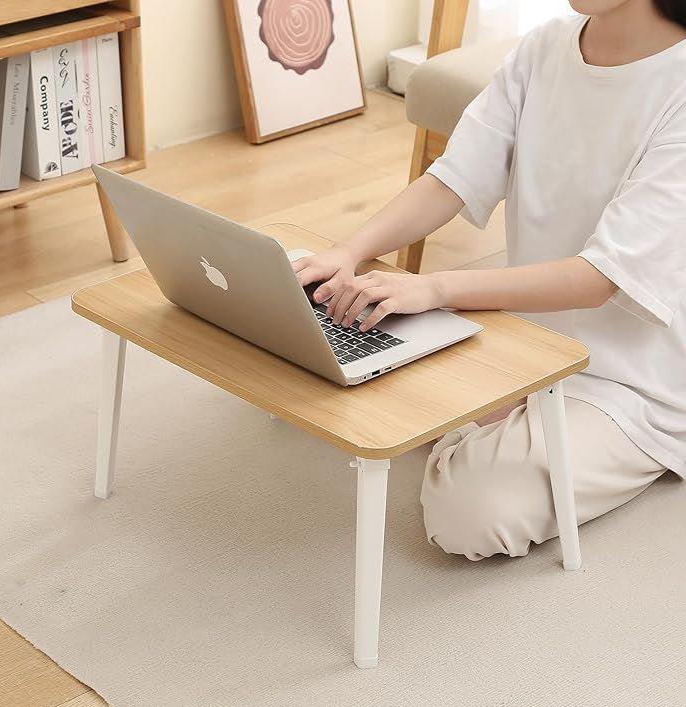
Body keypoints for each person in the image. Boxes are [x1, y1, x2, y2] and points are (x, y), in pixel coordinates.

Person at [291, 0, 686, 561]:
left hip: (629, 384)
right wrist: (349, 252)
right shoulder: (544, 47)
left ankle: (483, 426)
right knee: (320, 353)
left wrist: (436, 288)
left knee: (467, 512)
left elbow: (600, 278)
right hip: (522, 340)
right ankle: (482, 417)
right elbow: (453, 177)